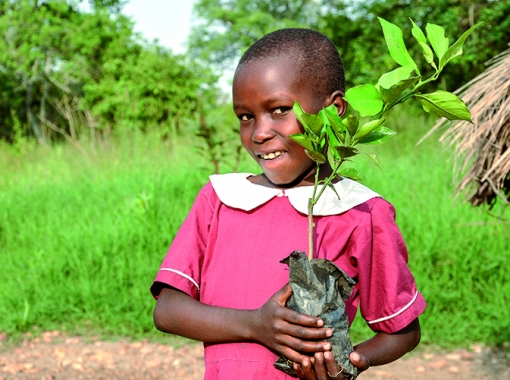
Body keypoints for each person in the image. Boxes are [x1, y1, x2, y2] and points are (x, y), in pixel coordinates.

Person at [151, 28, 426, 380]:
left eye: (279, 110)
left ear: (333, 110)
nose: (259, 133)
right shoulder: (220, 200)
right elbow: (168, 310)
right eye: (245, 116)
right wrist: (255, 325)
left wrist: (349, 364)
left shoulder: (361, 211)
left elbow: (402, 329)